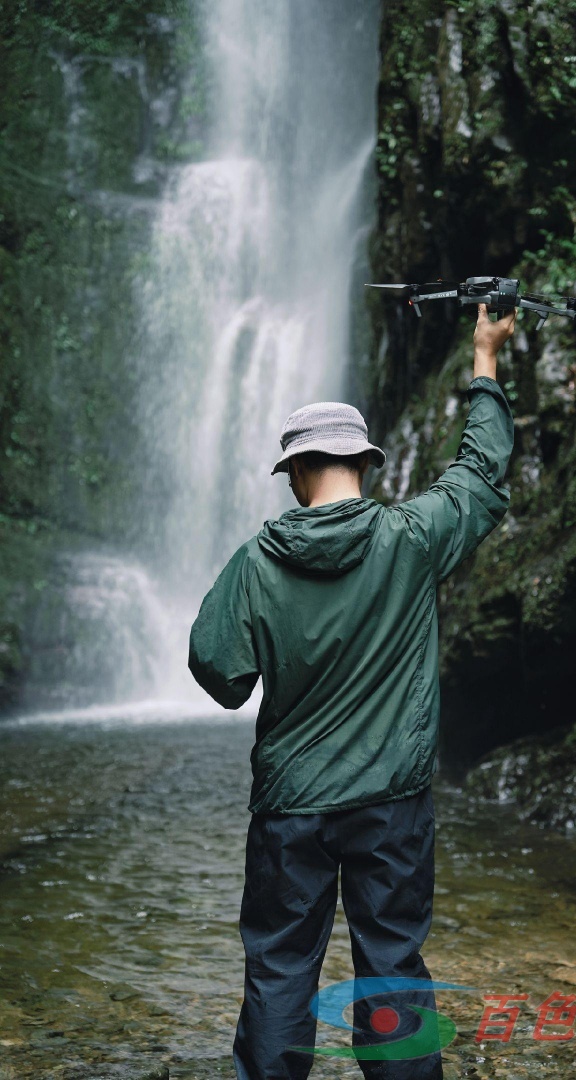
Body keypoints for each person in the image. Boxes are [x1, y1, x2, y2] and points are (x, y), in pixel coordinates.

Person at [188, 303, 517, 1079]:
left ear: (296, 472)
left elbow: (218, 671)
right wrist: (484, 359)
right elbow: (481, 473)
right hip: (391, 803)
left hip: (289, 811)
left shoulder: (254, 563)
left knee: (277, 974)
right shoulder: (412, 538)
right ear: (365, 465)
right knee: (394, 965)